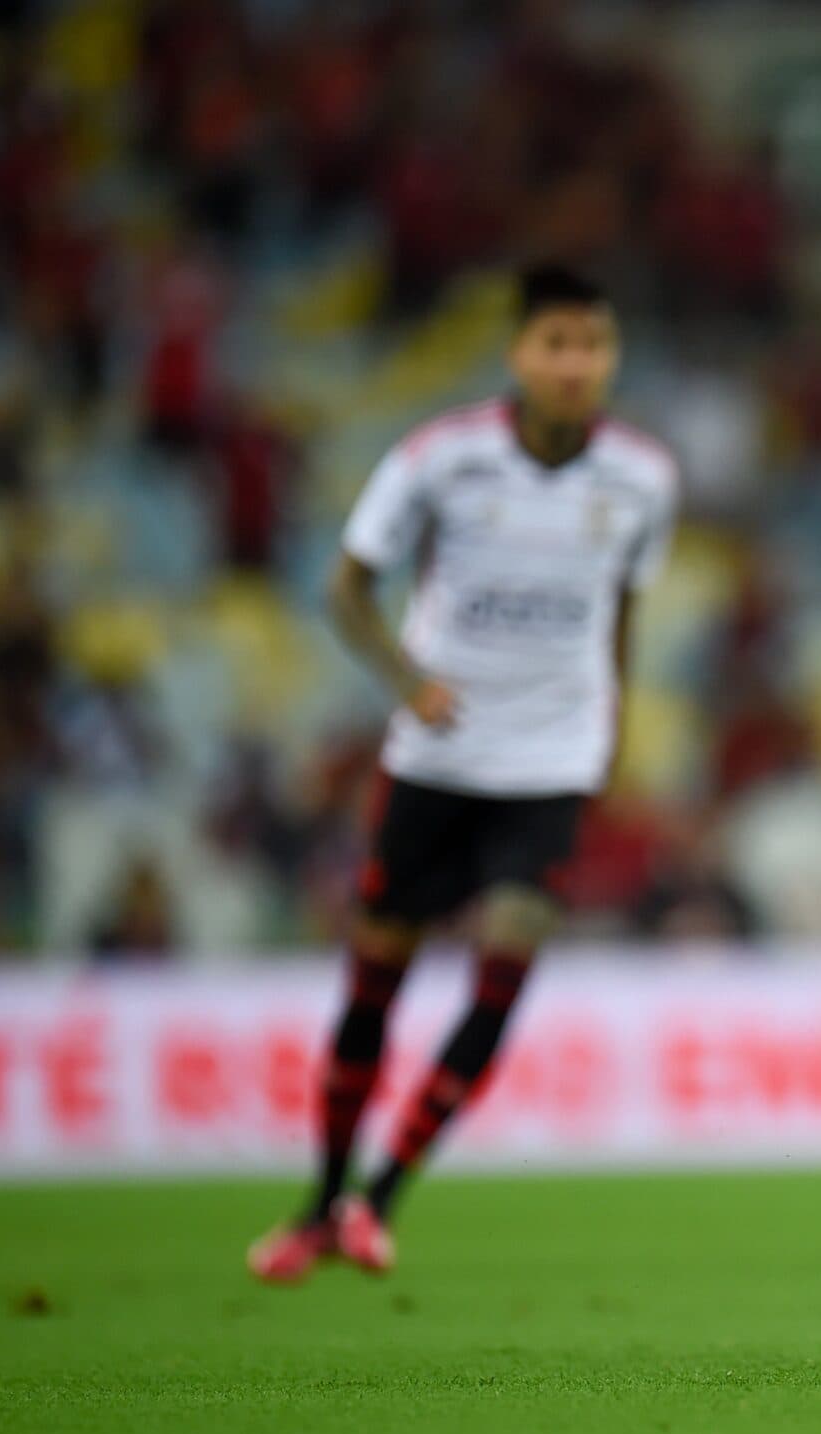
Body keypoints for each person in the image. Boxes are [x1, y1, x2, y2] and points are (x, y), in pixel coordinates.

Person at [249, 263, 676, 1282]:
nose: (578, 366)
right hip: (438, 755)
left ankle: (380, 1199)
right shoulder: (440, 461)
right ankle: (321, 1200)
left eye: (595, 346)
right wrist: (407, 681)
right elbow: (347, 586)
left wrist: (610, 721)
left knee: (506, 963)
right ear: (517, 355)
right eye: (558, 345)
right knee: (375, 983)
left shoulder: (644, 479)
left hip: (550, 760)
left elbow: (622, 608)